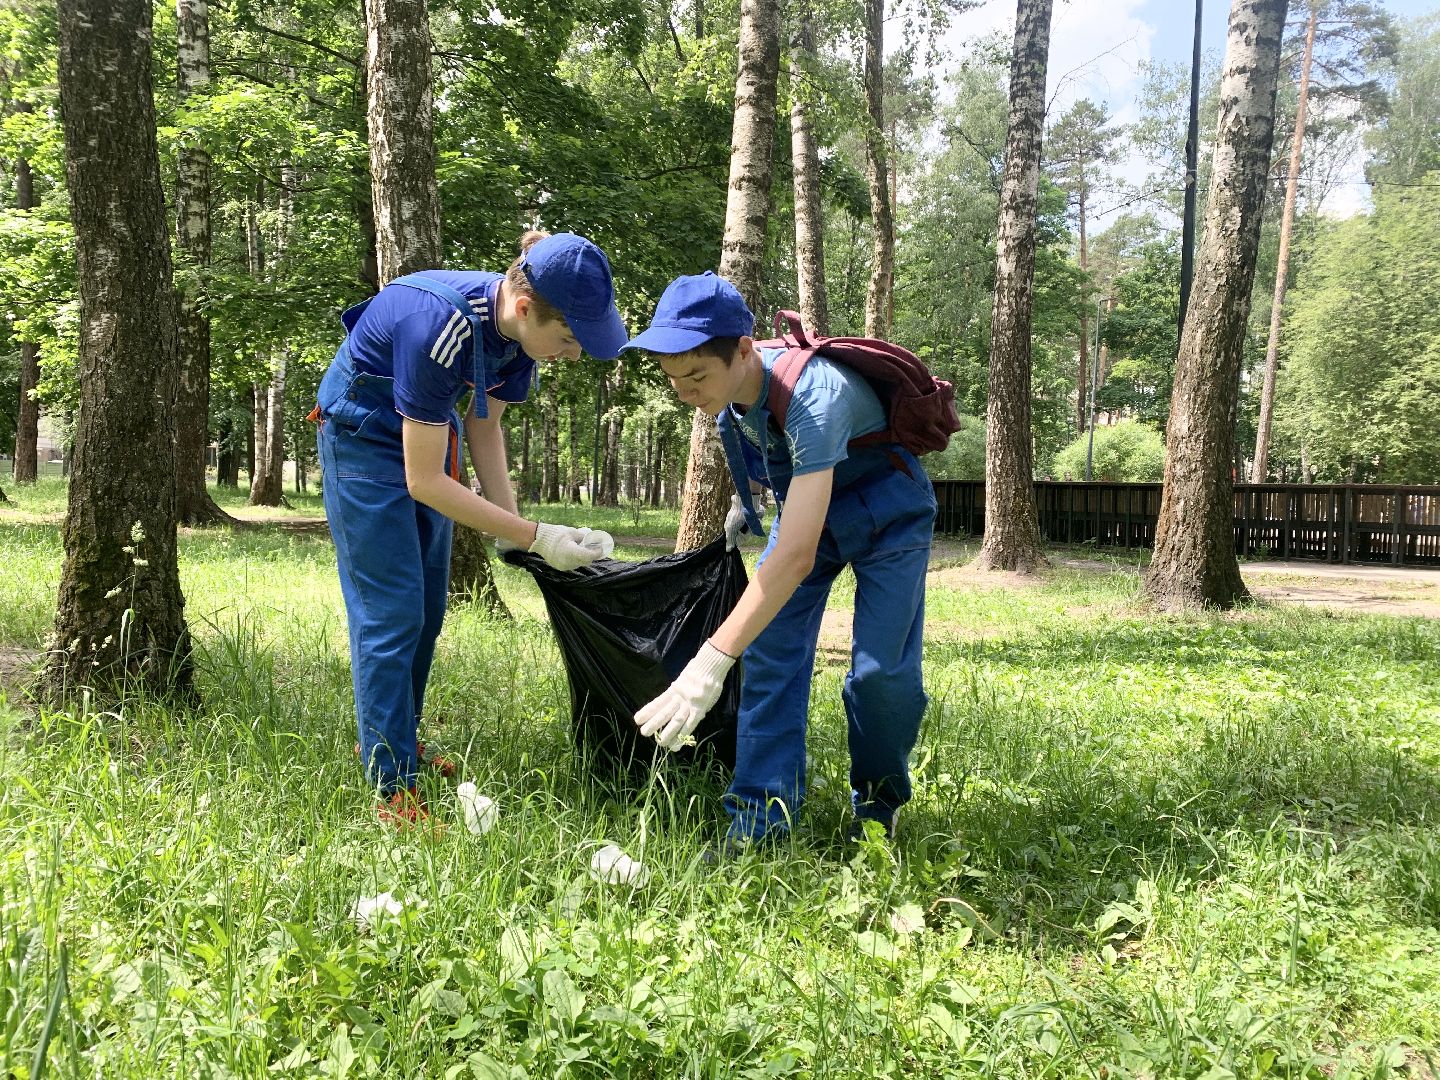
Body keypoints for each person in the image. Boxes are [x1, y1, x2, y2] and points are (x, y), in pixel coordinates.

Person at [313, 230, 627, 828]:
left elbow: (484, 428)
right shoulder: (444, 326)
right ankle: (389, 783)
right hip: (362, 439)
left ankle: (393, 740)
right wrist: (535, 533)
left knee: (428, 609)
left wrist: (514, 532)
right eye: (568, 338)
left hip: (426, 436)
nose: (574, 353)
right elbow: (425, 482)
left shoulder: (516, 342)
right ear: (526, 306)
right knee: (391, 615)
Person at [623, 272, 936, 850]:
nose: (686, 391)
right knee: (770, 658)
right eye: (673, 380)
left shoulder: (814, 398)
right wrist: (748, 506)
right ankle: (759, 822)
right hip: (806, 514)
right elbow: (790, 505)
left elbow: (793, 557)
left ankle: (876, 810)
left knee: (880, 676)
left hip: (891, 512)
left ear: (743, 349)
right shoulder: (729, 405)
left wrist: (710, 663)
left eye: (696, 375)